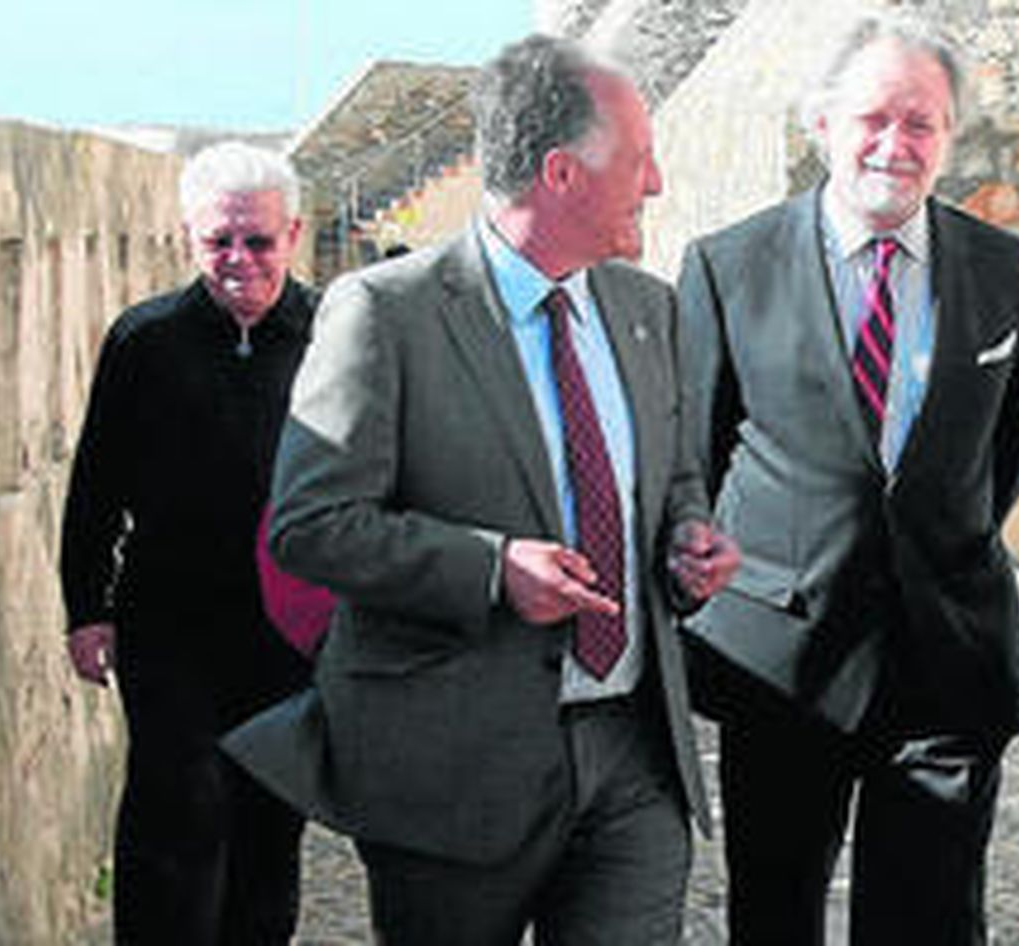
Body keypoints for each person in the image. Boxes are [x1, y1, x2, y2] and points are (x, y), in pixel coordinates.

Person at [221, 34, 738, 946]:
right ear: (561, 174)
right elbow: (311, 523)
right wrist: (493, 570)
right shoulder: (385, 313)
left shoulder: (647, 310)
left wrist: (687, 536)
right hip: (450, 766)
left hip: (635, 757)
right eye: (639, 161)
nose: (656, 184)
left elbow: (672, 478)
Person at [675, 10, 1019, 944]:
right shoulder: (728, 267)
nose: (896, 143)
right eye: (874, 118)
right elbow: (697, 455)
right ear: (822, 124)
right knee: (774, 919)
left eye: (922, 123)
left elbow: (1005, 455)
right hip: (782, 662)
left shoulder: (1008, 271)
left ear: (950, 135)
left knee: (931, 924)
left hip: (947, 661)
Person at [59, 141, 315, 943]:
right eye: (219, 241)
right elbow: (96, 484)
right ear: (188, 237)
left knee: (270, 818)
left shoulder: (336, 335)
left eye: (258, 240)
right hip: (170, 621)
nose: (239, 260)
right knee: (178, 809)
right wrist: (85, 607)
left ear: (293, 234)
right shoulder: (145, 341)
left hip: (291, 626)